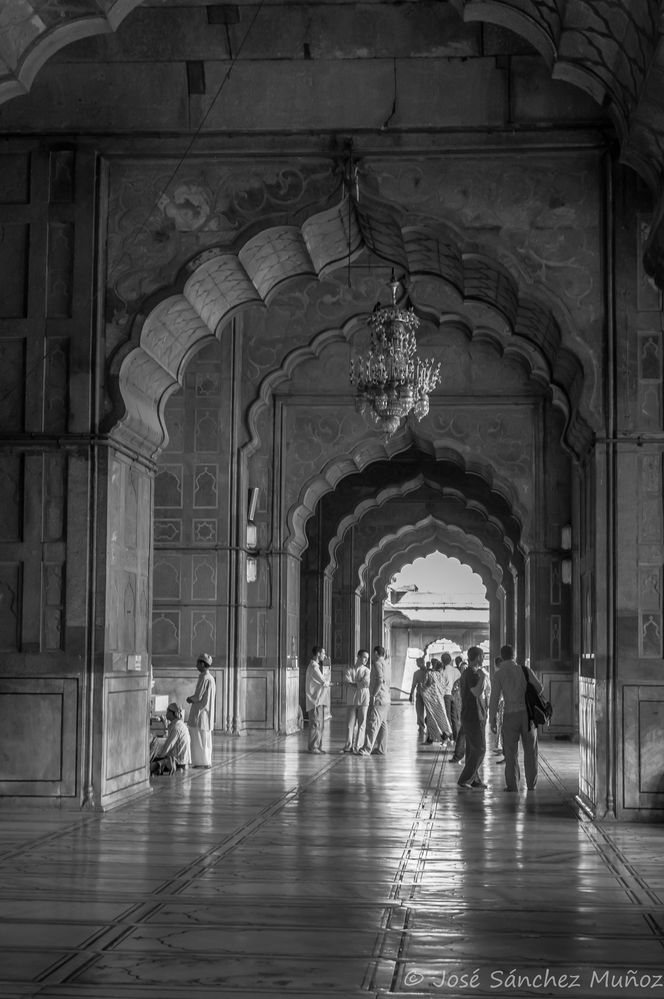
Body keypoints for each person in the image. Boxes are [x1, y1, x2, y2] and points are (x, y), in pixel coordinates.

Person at [489, 644, 543, 792]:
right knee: (530, 750)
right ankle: (531, 784)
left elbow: (494, 698)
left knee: (511, 752)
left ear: (502, 656)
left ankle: (512, 785)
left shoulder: (499, 674)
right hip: (527, 715)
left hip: (510, 715)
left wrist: (492, 719)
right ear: (514, 655)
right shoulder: (525, 670)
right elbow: (539, 688)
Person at [457, 646, 489, 789]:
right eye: (482, 656)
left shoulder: (468, 672)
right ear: (477, 657)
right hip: (473, 715)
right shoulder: (472, 673)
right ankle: (464, 778)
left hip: (471, 714)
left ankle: (474, 779)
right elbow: (476, 692)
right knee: (480, 749)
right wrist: (483, 677)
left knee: (472, 749)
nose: (483, 659)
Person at [359, 645, 390, 756]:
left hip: (379, 698)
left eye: (373, 653)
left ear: (376, 653)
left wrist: (373, 695)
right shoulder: (386, 664)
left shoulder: (377, 663)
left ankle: (366, 749)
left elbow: (380, 680)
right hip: (386, 698)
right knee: (382, 725)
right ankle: (381, 749)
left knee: (373, 723)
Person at [186, 652, 216, 768]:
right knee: (205, 740)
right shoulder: (211, 678)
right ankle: (206, 761)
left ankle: (200, 762)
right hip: (206, 714)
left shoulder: (204, 677)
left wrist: (189, 699)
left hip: (200, 714)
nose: (196, 665)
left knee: (199, 739)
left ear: (203, 664)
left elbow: (198, 697)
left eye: (198, 663)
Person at [341, 649, 371, 753]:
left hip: (363, 700)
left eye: (367, 658)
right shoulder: (349, 669)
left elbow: (366, 683)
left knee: (362, 724)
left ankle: (357, 746)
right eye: (364, 657)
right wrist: (358, 684)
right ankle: (348, 746)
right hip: (352, 700)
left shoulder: (367, 670)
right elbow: (346, 682)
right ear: (358, 657)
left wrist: (354, 684)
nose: (366, 660)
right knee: (350, 725)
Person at [150, 702, 191, 775]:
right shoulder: (179, 724)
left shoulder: (176, 728)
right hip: (181, 761)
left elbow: (168, 746)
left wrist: (158, 757)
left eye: (168, 711)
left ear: (173, 713)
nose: (166, 713)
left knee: (149, 765)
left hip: (177, 763)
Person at [420, 658, 452, 744]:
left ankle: (441, 735)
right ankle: (436, 736)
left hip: (432, 702)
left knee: (431, 719)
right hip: (439, 701)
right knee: (441, 718)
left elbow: (426, 684)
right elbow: (443, 688)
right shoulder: (441, 676)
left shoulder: (430, 674)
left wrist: (422, 689)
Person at [305, 645, 330, 754]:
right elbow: (324, 681)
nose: (324, 655)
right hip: (314, 700)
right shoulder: (314, 667)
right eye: (323, 653)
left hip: (318, 699)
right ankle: (313, 747)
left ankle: (317, 746)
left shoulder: (315, 666)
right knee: (315, 724)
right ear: (318, 653)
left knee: (318, 724)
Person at [439, 652, 461, 741]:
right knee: (454, 717)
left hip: (446, 696)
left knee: (447, 716)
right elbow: (460, 681)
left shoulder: (442, 671)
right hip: (454, 695)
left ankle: (448, 735)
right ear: (450, 660)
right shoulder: (455, 670)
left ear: (442, 661)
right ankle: (455, 737)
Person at [409, 656, 429, 737]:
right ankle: (424, 725)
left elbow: (414, 685)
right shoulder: (428, 671)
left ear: (421, 663)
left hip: (421, 694)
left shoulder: (417, 673)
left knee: (420, 711)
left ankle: (421, 726)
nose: (417, 664)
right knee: (427, 711)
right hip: (427, 695)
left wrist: (411, 694)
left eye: (417, 663)